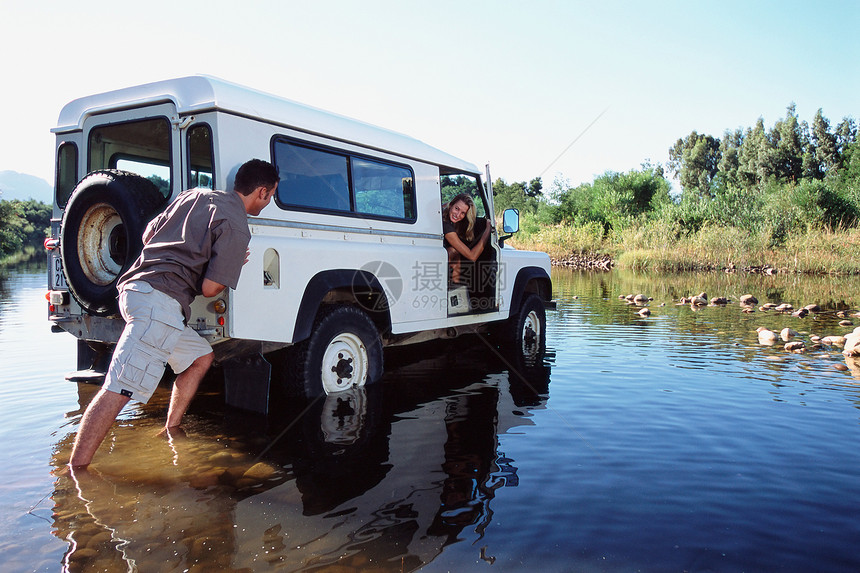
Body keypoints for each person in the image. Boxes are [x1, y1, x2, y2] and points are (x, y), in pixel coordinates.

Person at [69, 159, 280, 468]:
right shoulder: (237, 226)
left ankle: (171, 428)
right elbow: (210, 289)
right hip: (160, 303)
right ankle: (76, 471)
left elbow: (147, 236)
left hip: (136, 291)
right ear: (261, 191)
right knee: (119, 388)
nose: (270, 200)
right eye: (272, 194)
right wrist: (233, 265)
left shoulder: (194, 194)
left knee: (200, 357)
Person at [442, 193, 493, 285]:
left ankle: (455, 287)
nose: (457, 215)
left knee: (455, 253)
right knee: (453, 251)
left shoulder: (444, 214)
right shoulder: (447, 227)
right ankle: (452, 287)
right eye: (456, 209)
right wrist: (487, 230)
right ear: (451, 205)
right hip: (433, 261)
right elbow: (472, 256)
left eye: (463, 213)